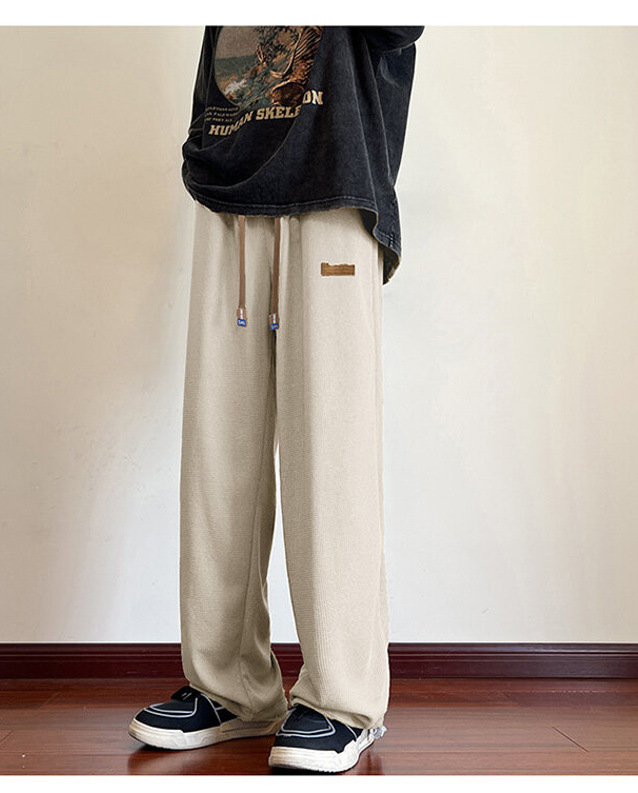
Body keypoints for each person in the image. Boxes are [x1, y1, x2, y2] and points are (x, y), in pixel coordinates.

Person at [129, 25, 424, 774]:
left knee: (330, 448)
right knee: (218, 447)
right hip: (230, 182)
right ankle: (229, 685)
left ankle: (344, 699)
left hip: (331, 181)